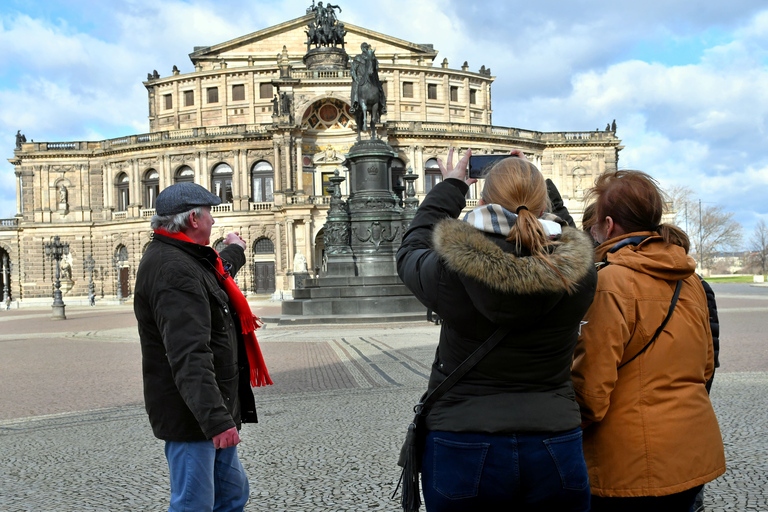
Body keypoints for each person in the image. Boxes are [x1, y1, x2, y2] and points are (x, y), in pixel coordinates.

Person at [397, 148, 597, 511]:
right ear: (543, 206)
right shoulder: (580, 274)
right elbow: (574, 239)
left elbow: (411, 248)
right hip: (553, 439)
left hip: (463, 438)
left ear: (484, 200)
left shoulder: (450, 268)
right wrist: (536, 183)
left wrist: (453, 185)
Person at [571, 170, 725, 512]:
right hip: (691, 452)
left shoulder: (611, 281)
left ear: (607, 226)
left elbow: (591, 393)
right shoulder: (692, 281)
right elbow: (705, 367)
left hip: (630, 464)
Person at [134, 182, 272, 512]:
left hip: (210, 408)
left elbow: (214, 274)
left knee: (231, 496)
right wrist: (216, 421)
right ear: (194, 219)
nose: (214, 221)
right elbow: (188, 355)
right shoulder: (173, 269)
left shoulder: (185, 258)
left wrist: (234, 248)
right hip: (194, 419)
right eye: (210, 214)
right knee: (194, 504)